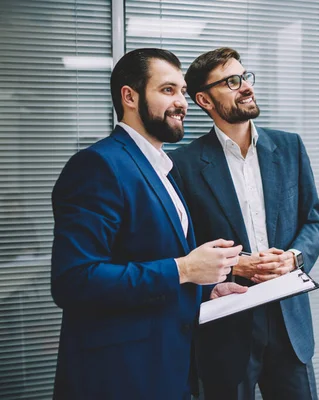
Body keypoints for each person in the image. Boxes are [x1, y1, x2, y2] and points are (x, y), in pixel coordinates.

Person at [50, 48, 247, 399]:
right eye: (167, 90)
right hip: (119, 377)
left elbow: (149, 255)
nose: (182, 103)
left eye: (183, 92)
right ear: (130, 96)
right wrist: (184, 269)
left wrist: (206, 290)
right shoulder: (98, 165)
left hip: (168, 368)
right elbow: (74, 281)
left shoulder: (164, 169)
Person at [169, 47, 319, 400]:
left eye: (245, 77)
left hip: (291, 323)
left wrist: (293, 258)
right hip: (226, 326)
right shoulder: (182, 165)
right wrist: (231, 265)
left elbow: (315, 221)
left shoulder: (290, 147)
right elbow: (180, 246)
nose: (245, 87)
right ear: (204, 100)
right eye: (231, 81)